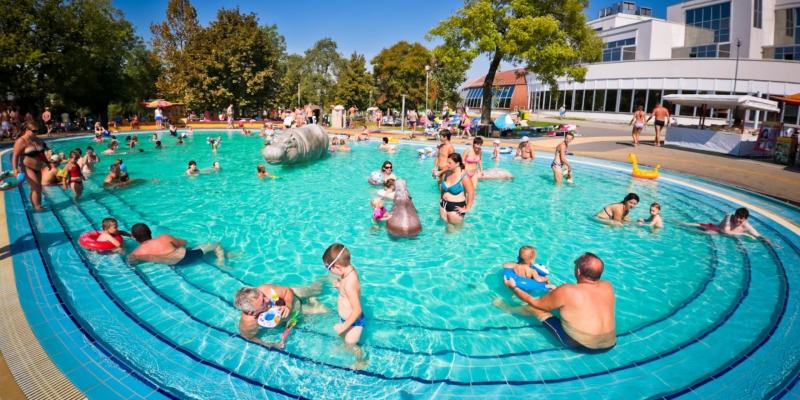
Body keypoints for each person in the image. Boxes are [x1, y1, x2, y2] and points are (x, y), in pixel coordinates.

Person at [500, 252, 616, 351]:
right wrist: (557, 292)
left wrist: (513, 288)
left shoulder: (567, 290)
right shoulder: (607, 286)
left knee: (534, 308)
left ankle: (508, 308)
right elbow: (586, 300)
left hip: (580, 345)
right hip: (610, 344)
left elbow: (534, 302)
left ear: (578, 271)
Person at [234, 283, 328, 349]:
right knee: (325, 311)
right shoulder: (249, 323)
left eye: (263, 296)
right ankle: (313, 301)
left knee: (317, 289)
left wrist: (288, 306)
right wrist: (272, 345)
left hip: (294, 297)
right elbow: (249, 337)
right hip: (296, 312)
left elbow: (287, 291)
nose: (268, 299)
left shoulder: (265, 290)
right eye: (263, 302)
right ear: (252, 313)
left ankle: (324, 281)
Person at [322, 243, 366, 368]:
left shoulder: (350, 284)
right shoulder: (348, 272)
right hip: (346, 320)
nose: (329, 271)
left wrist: (344, 326)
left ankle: (361, 361)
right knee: (344, 339)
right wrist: (340, 286)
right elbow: (348, 291)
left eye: (328, 268)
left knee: (351, 344)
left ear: (338, 267)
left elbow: (357, 309)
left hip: (354, 323)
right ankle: (345, 343)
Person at [127, 223, 227, 267]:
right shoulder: (164, 238)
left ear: (134, 237)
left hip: (174, 264)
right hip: (188, 257)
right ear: (150, 232)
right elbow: (184, 243)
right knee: (216, 245)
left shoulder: (136, 253)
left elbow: (131, 263)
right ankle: (221, 262)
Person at [12, 122, 47, 211]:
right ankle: (37, 207)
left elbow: (41, 153)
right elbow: (15, 156)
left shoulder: (36, 139)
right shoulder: (21, 141)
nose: (36, 133)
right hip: (27, 167)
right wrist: (15, 169)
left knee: (38, 188)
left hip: (38, 168)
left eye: (37, 131)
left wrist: (48, 163)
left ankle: (37, 205)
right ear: (27, 130)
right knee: (36, 188)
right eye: (34, 131)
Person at [684, 207, 768, 242]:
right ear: (734, 215)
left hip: (718, 234)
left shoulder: (746, 226)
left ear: (745, 219)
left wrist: (767, 241)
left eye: (741, 218)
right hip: (714, 228)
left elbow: (758, 235)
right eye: (737, 216)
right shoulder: (729, 217)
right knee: (692, 227)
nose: (738, 219)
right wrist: (744, 234)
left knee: (698, 232)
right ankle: (679, 223)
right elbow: (725, 231)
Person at [439, 153, 475, 225]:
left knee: (454, 230)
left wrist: (467, 208)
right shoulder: (447, 174)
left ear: (457, 163)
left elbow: (471, 193)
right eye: (447, 162)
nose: (447, 164)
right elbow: (443, 189)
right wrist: (441, 199)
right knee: (443, 228)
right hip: (443, 205)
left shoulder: (463, 176)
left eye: (450, 163)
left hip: (455, 208)